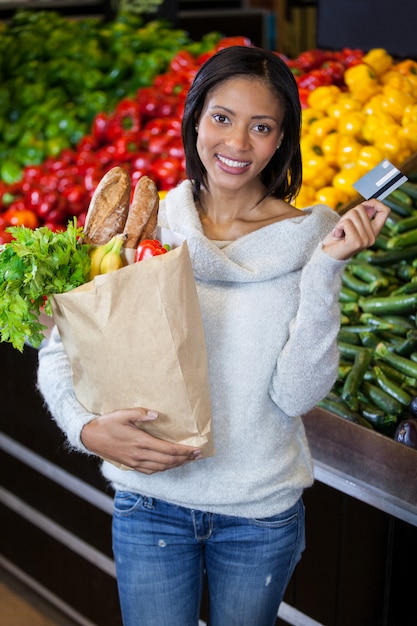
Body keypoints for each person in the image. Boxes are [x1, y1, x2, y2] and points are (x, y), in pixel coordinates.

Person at [37, 45, 390, 626]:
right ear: (195, 118)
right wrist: (86, 428)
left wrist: (326, 270)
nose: (237, 144)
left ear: (282, 139)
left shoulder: (314, 238)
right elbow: (61, 352)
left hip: (259, 515)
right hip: (151, 504)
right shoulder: (140, 226)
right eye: (222, 118)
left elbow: (297, 396)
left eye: (262, 127)